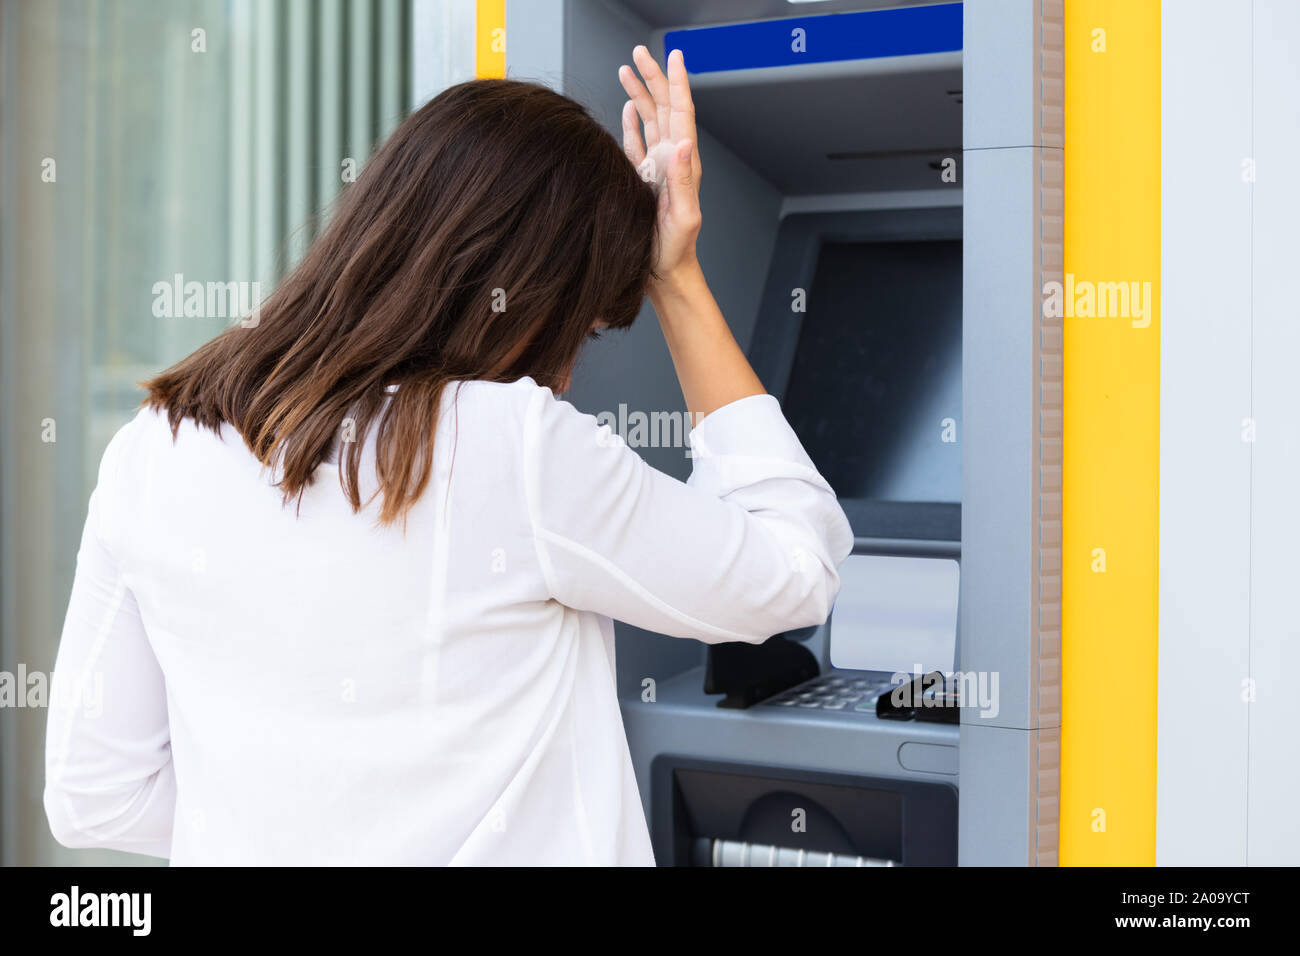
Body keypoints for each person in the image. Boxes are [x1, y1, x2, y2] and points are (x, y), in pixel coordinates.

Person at [44, 46, 853, 865]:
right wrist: (676, 278)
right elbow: (796, 565)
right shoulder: (514, 445)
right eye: (579, 331)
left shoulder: (153, 448)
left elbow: (93, 799)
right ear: (522, 297)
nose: (568, 376)